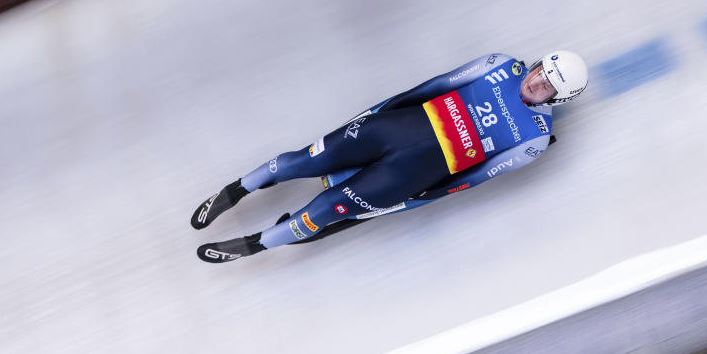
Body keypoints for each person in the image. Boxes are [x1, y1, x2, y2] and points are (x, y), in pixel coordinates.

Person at [191, 51, 588, 263]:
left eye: (547, 86)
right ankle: (234, 190)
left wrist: (426, 195)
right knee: (302, 161)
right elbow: (435, 85)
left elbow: (479, 176)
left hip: (412, 173)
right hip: (396, 127)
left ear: (558, 98)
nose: (537, 82)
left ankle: (255, 244)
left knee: (326, 209)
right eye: (541, 71)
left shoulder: (533, 139)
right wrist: (383, 110)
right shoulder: (500, 64)